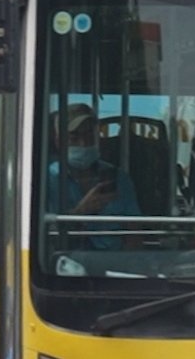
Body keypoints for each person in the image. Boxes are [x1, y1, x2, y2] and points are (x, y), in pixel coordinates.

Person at [45, 104, 141, 250]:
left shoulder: (119, 178)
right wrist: (80, 212)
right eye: (74, 137)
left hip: (113, 262)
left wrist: (127, 264)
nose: (83, 144)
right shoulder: (48, 179)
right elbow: (42, 235)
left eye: (89, 135)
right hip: (66, 261)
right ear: (59, 141)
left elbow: (134, 232)